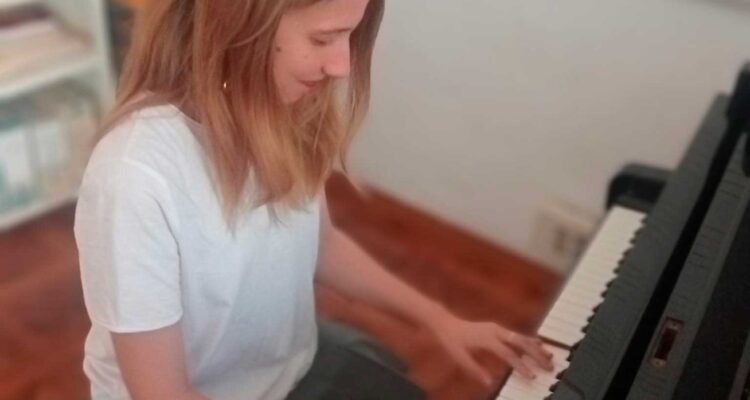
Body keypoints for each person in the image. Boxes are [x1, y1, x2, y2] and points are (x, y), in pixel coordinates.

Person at [73, 1, 553, 399]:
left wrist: (442, 321)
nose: (342, 66)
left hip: (287, 368)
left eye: (350, 36)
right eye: (323, 39)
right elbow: (162, 393)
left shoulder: (282, 105)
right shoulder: (134, 177)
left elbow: (321, 245)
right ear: (238, 23)